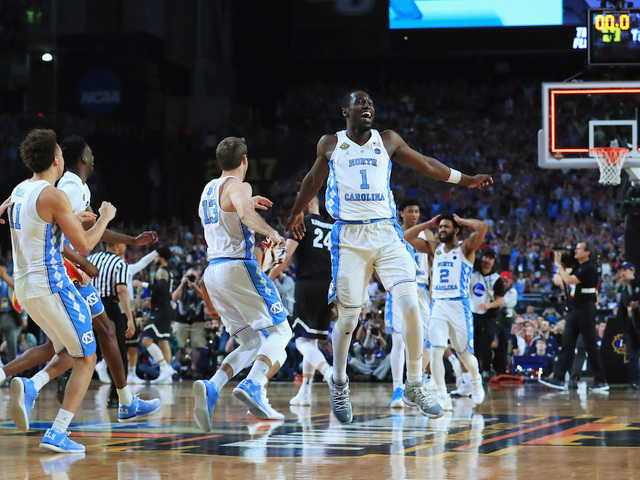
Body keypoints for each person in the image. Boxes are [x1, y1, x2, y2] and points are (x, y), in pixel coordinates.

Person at [286, 90, 493, 422]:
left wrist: (464, 180)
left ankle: (413, 382)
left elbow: (426, 164)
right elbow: (313, 180)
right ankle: (338, 381)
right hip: (350, 236)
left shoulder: (388, 140)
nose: (367, 106)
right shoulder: (330, 143)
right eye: (360, 103)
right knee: (349, 319)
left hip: (386, 232)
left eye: (371, 103)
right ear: (346, 112)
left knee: (412, 307)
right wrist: (297, 212)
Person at [6, 129, 115, 453]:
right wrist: (104, 218)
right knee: (88, 354)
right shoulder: (54, 195)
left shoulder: (21, 189)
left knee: (68, 348)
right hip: (52, 286)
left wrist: (69, 218)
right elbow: (84, 244)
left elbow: (41, 222)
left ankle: (31, 384)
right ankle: (57, 431)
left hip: (25, 288)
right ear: (57, 160)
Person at [192, 136, 292, 432]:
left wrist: (244, 203)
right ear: (245, 161)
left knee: (252, 341)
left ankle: (213, 385)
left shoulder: (208, 189)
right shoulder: (240, 185)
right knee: (282, 331)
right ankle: (254, 383)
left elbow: (233, 210)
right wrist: (273, 233)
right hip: (237, 264)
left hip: (214, 271)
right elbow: (246, 215)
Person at [416, 213, 488, 409]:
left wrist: (463, 220)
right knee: (436, 350)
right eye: (440, 227)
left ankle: (475, 379)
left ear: (456, 229)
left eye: (446, 227)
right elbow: (407, 236)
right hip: (438, 304)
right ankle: (442, 396)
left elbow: (482, 227)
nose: (441, 230)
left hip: (459, 305)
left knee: (465, 354)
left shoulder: (465, 247)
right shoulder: (434, 248)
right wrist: (429, 223)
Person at [268, 196, 334, 407]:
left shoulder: (302, 223)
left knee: (301, 341)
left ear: (308, 203)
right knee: (312, 340)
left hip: (308, 284)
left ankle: (330, 373)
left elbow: (286, 255)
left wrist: (267, 279)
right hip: (329, 285)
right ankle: (305, 392)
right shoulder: (332, 225)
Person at [539, 242, 609, 391]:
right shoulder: (578, 266)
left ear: (587, 252)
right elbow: (561, 280)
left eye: (578, 248)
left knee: (590, 345)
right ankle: (558, 378)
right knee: (567, 344)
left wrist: (558, 265)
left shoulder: (589, 267)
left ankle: (601, 380)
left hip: (586, 310)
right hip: (575, 309)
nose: (575, 250)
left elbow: (570, 280)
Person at [141, 247, 177, 383]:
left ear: (160, 257)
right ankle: (167, 376)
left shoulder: (162, 270)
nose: (154, 260)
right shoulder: (169, 271)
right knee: (163, 341)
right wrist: (153, 299)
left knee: (146, 340)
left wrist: (143, 284)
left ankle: (164, 368)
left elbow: (161, 288)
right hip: (165, 308)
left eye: (155, 257)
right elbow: (165, 292)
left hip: (161, 310)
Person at [469, 249, 505, 379]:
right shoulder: (473, 274)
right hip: (472, 315)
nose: (487, 260)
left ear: (494, 261)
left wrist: (488, 305)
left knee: (486, 343)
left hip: (489, 316)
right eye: (485, 257)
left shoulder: (496, 279)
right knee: (474, 345)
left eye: (490, 258)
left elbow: (500, 300)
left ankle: (485, 369)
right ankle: (473, 372)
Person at [172, 267, 206, 377]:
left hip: (197, 321)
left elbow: (204, 297)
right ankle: (175, 368)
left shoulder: (201, 286)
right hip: (181, 320)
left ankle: (193, 369)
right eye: (189, 276)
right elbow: (174, 298)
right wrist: (182, 284)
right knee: (178, 345)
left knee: (197, 345)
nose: (191, 279)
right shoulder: (180, 285)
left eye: (194, 277)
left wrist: (194, 285)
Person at [616, 262, 640, 388]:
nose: (622, 273)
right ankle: (635, 381)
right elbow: (622, 312)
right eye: (621, 270)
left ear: (632, 271)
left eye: (625, 270)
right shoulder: (624, 289)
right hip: (631, 327)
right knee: (632, 355)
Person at [0, 260, 22, 364]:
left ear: (4, 268)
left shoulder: (12, 280)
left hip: (10, 315)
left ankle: (12, 373)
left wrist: (24, 317)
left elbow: (20, 295)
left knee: (11, 346)